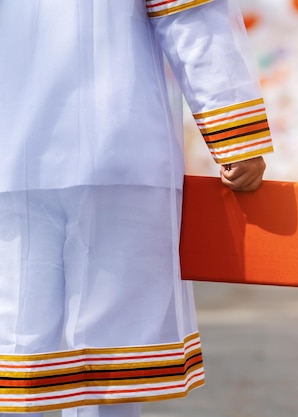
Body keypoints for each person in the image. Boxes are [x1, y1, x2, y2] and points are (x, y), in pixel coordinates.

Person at [0, 0, 273, 416]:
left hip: (18, 157)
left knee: (15, 346)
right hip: (118, 146)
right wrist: (236, 136)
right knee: (110, 359)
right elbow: (190, 21)